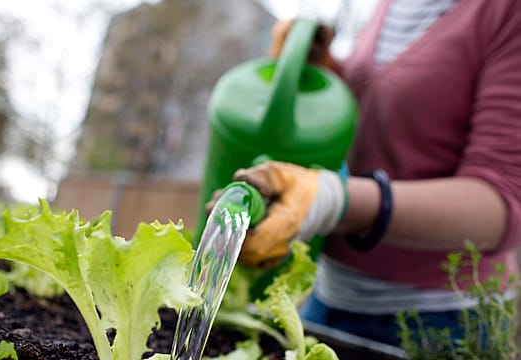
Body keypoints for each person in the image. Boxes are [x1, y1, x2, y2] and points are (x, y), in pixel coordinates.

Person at [222, 0, 521, 347]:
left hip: (440, 325)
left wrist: (335, 201)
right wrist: (329, 72)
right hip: (331, 298)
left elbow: (504, 200)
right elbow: (399, 113)